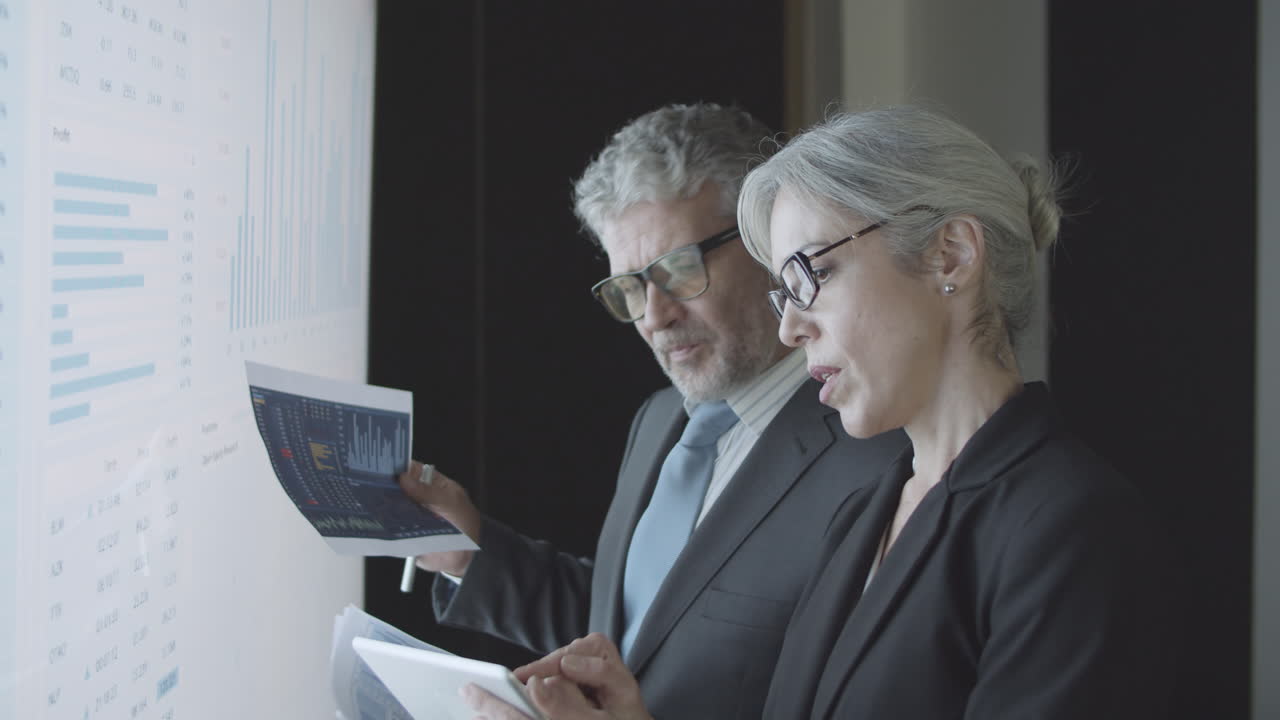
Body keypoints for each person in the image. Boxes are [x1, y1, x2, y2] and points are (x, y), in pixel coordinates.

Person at [464, 106, 1179, 719]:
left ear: (951, 256)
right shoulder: (868, 513)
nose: (790, 329)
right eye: (784, 293)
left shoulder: (1070, 526)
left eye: (812, 274)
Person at [396, 103, 907, 720]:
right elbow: (635, 632)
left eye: (678, 270)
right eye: (630, 287)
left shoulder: (877, 453)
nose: (654, 316)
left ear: (768, 243)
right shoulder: (661, 420)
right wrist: (465, 550)